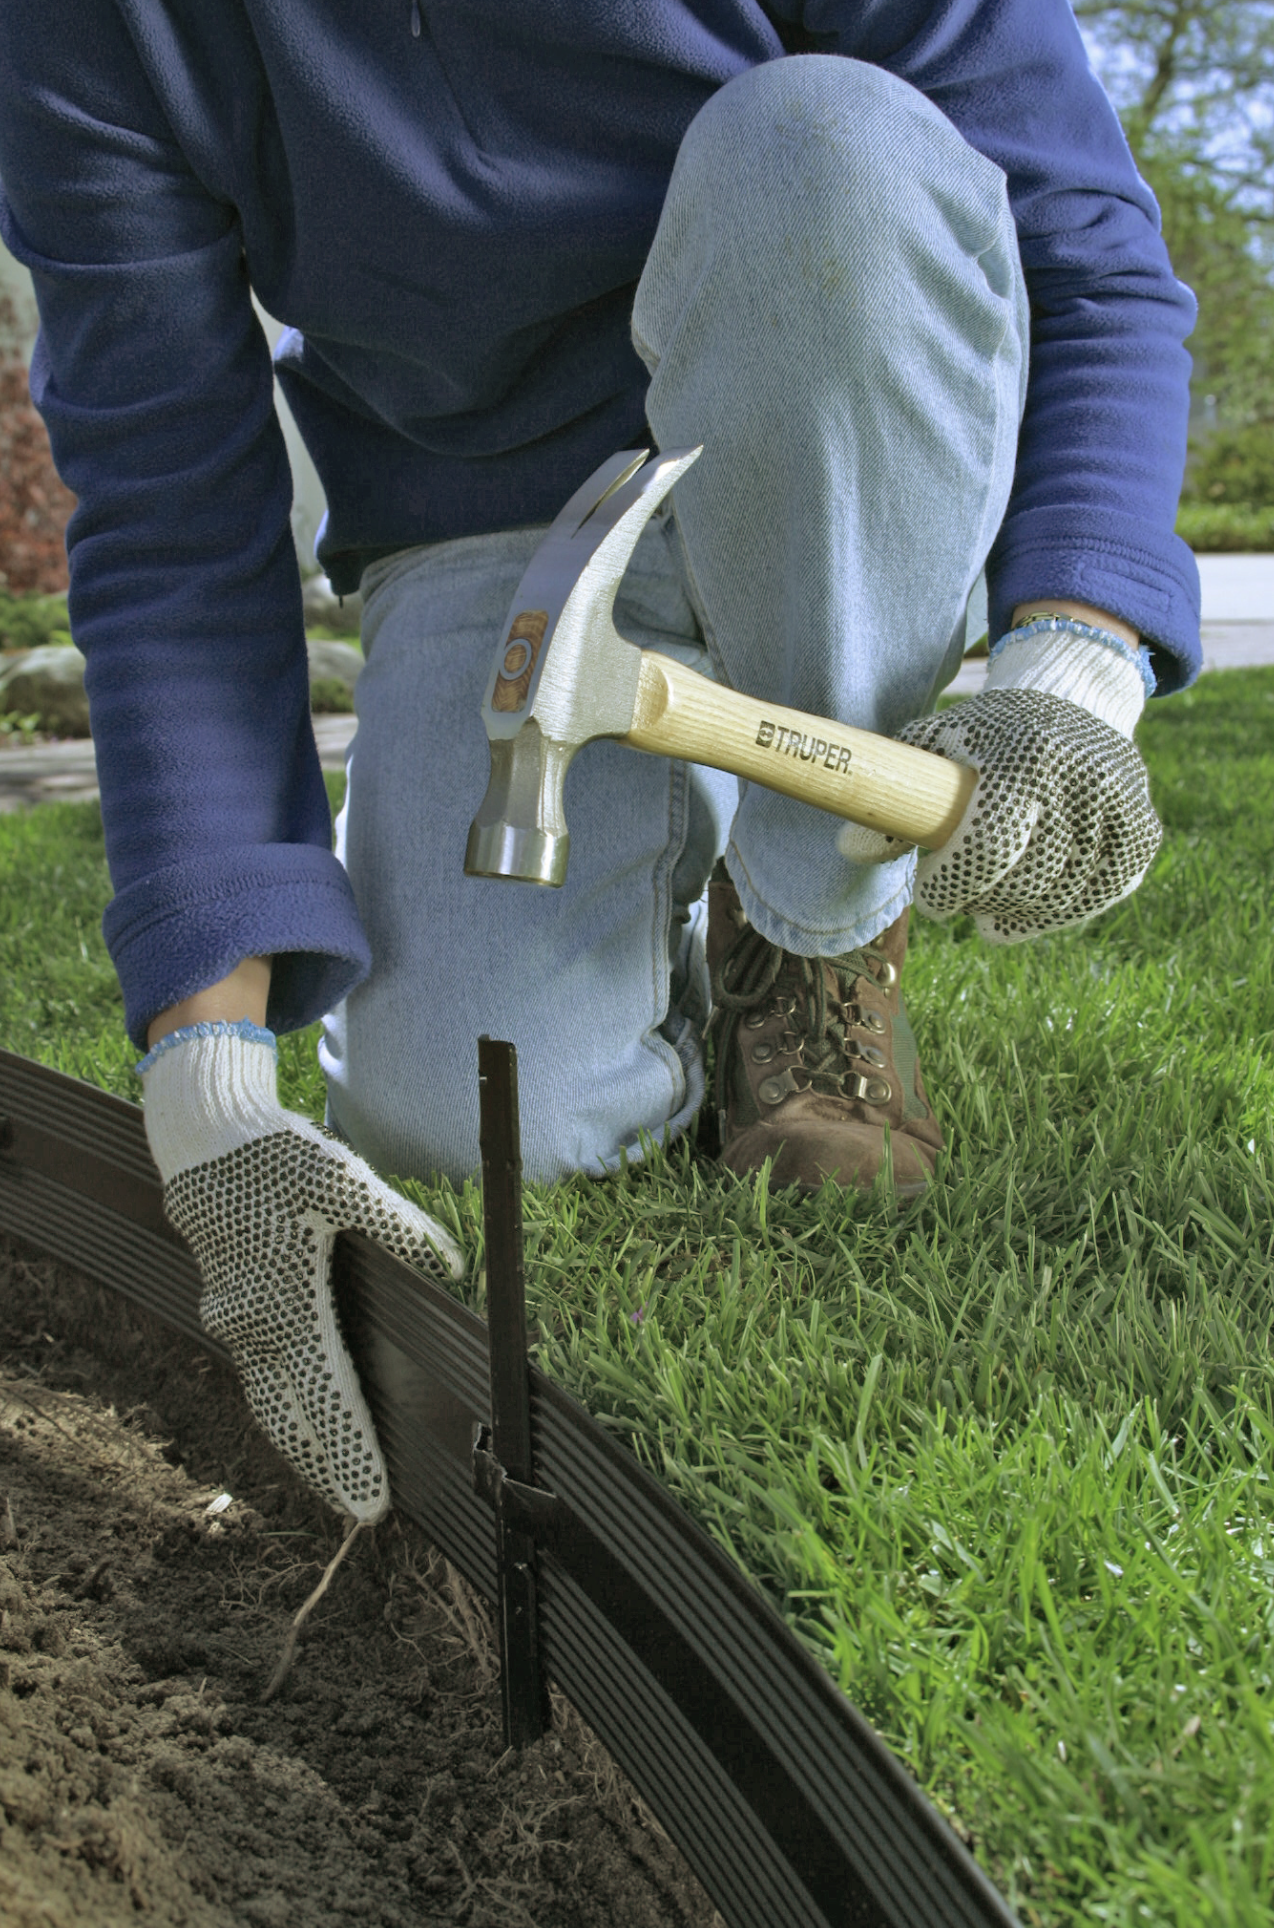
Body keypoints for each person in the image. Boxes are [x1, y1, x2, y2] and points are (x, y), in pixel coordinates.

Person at [0, 1, 1199, 1523]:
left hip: (824, 397)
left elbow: (1086, 257)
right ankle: (689, 855)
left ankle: (809, 927)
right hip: (482, 510)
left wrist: (1074, 664)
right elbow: (170, 509)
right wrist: (209, 1076)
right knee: (472, 1112)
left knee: (817, 145)